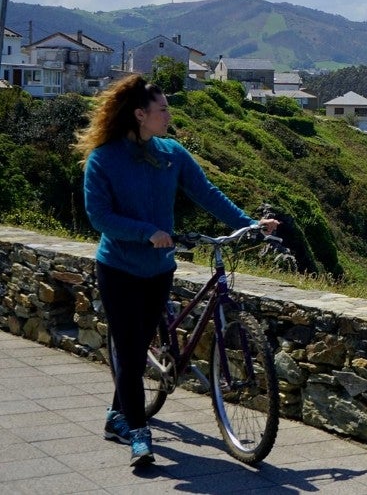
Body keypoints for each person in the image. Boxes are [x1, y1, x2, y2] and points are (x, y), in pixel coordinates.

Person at [77, 75, 277, 468]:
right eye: (162, 110)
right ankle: (138, 433)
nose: (169, 115)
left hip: (159, 269)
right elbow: (99, 216)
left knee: (140, 346)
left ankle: (117, 415)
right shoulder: (104, 159)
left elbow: (206, 193)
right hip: (119, 267)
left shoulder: (171, 153)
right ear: (140, 115)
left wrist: (250, 222)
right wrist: (146, 232)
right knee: (132, 356)